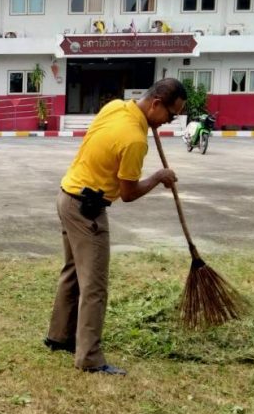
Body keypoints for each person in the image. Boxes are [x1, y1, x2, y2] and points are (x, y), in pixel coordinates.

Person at [44, 78, 183, 376]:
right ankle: (89, 358)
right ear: (156, 104)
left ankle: (60, 336)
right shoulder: (134, 140)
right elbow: (128, 193)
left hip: (67, 195)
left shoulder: (115, 107)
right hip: (87, 210)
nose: (169, 121)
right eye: (171, 115)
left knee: (73, 271)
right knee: (94, 285)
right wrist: (158, 177)